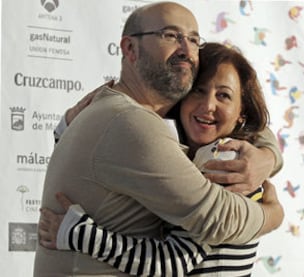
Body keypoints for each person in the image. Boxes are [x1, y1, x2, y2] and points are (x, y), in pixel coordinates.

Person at [34, 2, 282, 276]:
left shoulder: (118, 112)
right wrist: (273, 214)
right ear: (130, 49)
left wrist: (268, 156)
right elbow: (216, 220)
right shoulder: (133, 123)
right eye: (170, 35)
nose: (186, 50)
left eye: (193, 39)